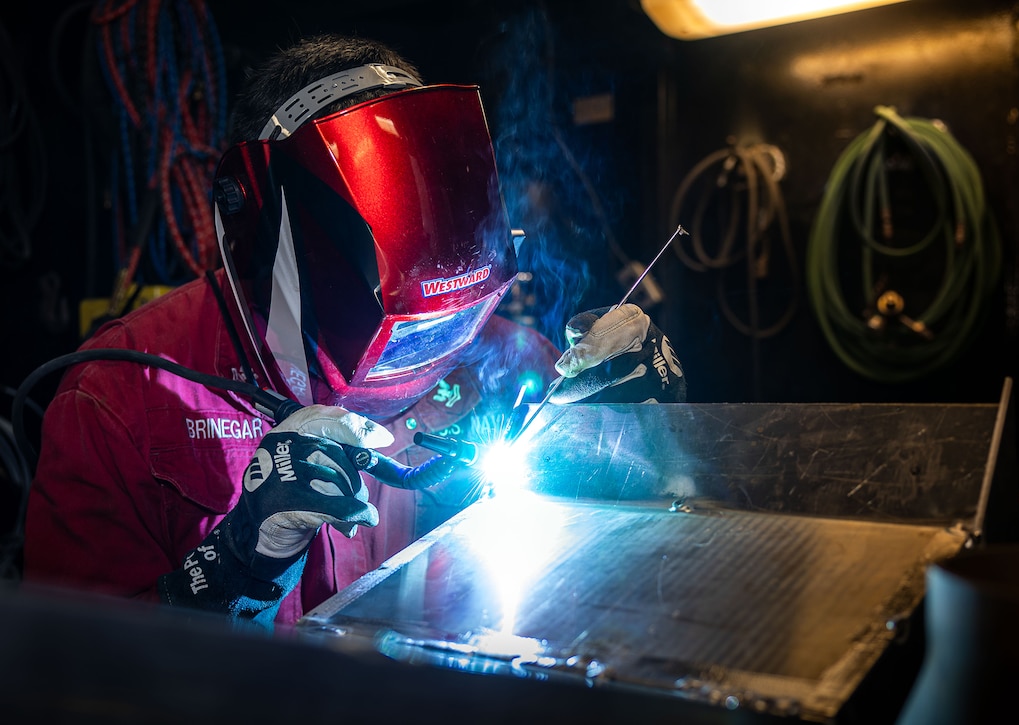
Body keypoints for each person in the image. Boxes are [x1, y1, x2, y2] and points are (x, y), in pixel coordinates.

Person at [22, 34, 685, 630]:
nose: (434, 360)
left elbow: (636, 574)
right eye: (406, 337)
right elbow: (69, 680)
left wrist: (649, 441)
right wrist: (233, 567)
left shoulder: (505, 360)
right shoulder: (117, 400)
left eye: (450, 330)